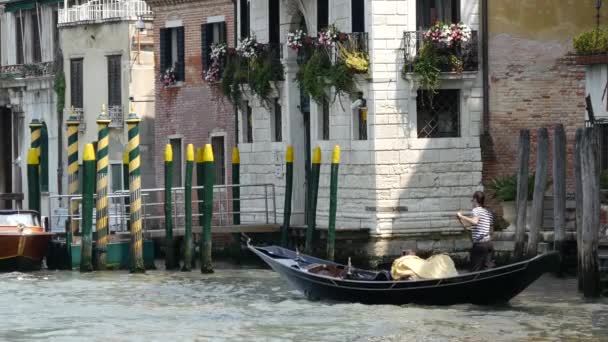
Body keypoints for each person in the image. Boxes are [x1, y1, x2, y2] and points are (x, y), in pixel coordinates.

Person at [456, 191, 495, 272]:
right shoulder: (488, 212)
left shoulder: (476, 210)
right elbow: (468, 226)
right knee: (488, 269)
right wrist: (460, 219)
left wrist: (462, 216)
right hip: (489, 244)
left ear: (475, 199)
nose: (472, 202)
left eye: (472, 200)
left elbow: (475, 222)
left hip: (480, 245)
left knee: (475, 270)